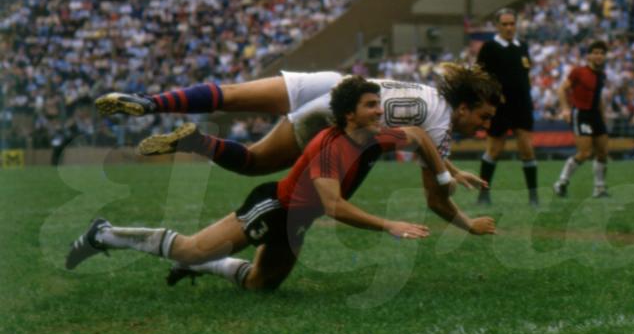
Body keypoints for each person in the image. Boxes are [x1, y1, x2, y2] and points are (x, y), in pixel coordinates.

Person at [65, 76, 496, 291]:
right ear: (347, 115)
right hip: (275, 209)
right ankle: (104, 233)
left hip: (297, 220)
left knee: (261, 284)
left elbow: (418, 135)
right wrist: (390, 226)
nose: (381, 111)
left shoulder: (375, 134)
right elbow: (334, 206)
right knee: (192, 244)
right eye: (371, 106)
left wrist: (446, 171)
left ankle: (201, 264)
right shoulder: (329, 144)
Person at [95, 64, 500, 191]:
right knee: (254, 161)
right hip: (339, 110)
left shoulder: (427, 92)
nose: (481, 128)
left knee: (231, 94)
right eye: (481, 117)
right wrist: (462, 214)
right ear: (463, 106)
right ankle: (197, 141)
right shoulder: (444, 122)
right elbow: (436, 191)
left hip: (334, 81)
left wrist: (450, 170)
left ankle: (152, 102)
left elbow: (432, 160)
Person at [474, 8, 539, 206]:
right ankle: (484, 194)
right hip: (499, 107)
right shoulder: (489, 48)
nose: (509, 28)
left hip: (521, 105)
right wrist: (492, 98)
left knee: (527, 149)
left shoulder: (522, 47)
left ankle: (533, 197)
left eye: (512, 24)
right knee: (494, 150)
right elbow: (479, 76)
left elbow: (525, 75)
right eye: (505, 24)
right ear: (497, 26)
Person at [553, 41, 610, 199]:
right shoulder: (578, 71)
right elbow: (561, 89)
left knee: (603, 152)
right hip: (581, 114)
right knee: (585, 152)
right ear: (589, 55)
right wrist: (565, 109)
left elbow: (598, 98)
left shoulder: (602, 75)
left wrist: (603, 116)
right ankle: (561, 182)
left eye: (602, 53)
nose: (599, 56)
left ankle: (599, 189)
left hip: (596, 115)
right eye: (596, 52)